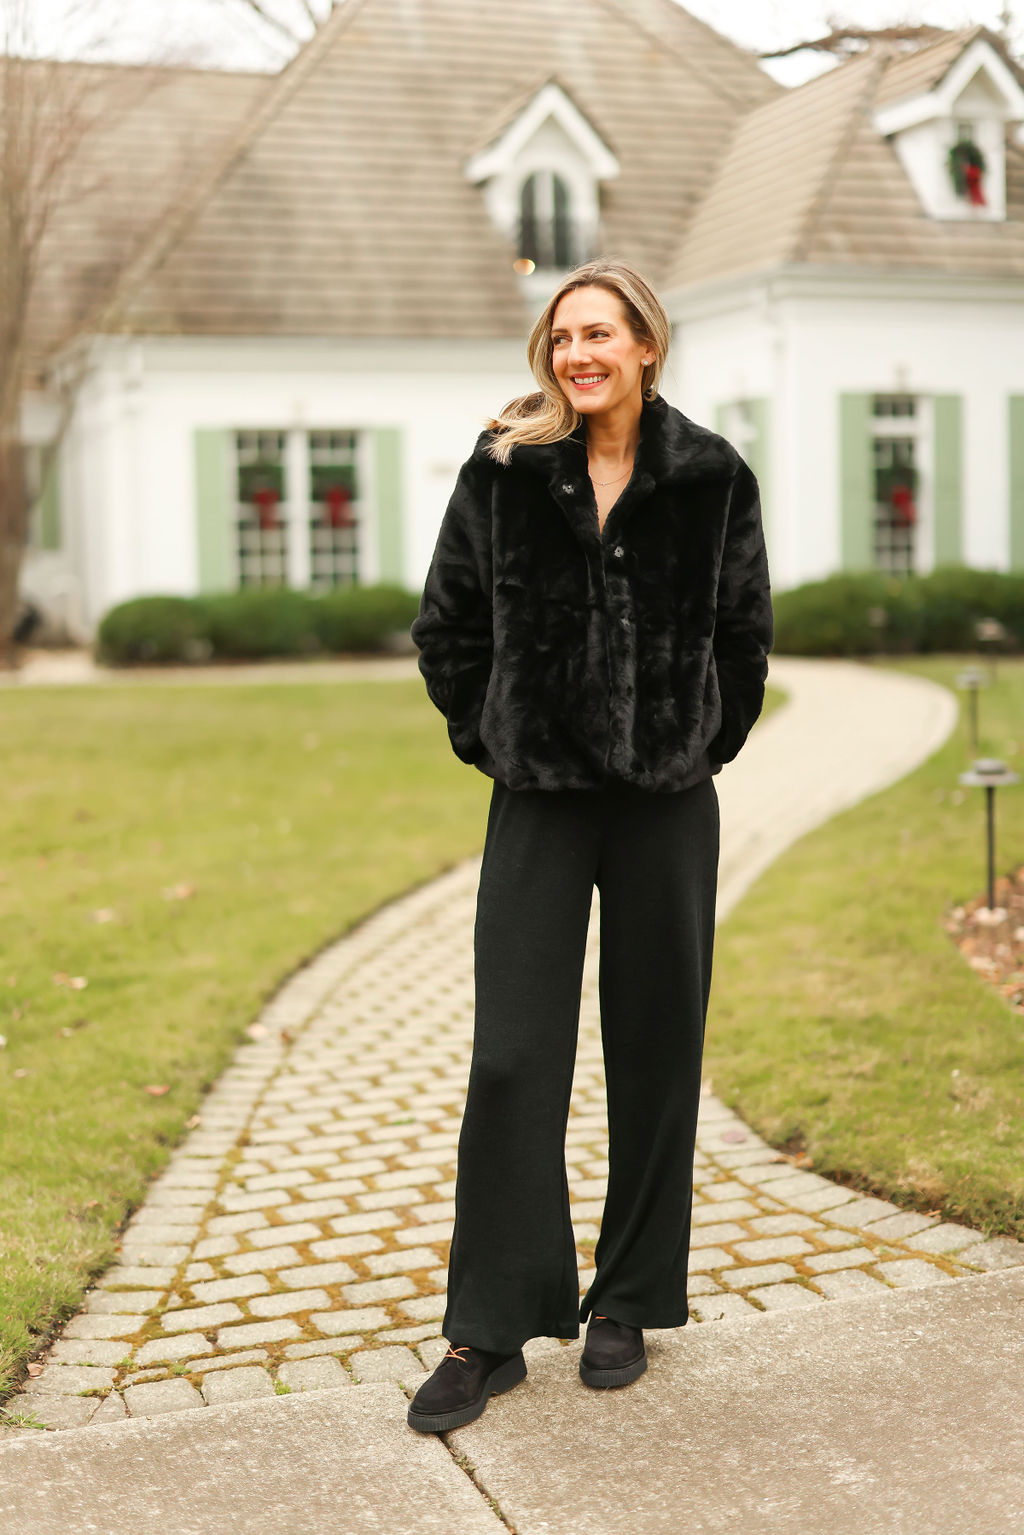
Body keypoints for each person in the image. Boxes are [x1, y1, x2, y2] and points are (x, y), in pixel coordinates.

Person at [406, 258, 772, 1434]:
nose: (578, 353)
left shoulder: (711, 475)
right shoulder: (504, 469)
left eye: (600, 333)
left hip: (667, 801)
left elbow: (742, 632)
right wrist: (490, 731)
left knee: (657, 1040)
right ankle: (492, 1326)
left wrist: (700, 739)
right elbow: (447, 622)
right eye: (563, 335)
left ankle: (627, 1299)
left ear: (647, 346)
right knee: (513, 1051)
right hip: (540, 799)